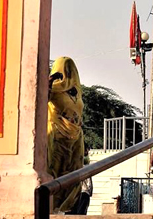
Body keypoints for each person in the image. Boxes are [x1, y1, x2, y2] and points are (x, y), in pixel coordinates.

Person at [47, 57, 86, 213]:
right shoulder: (54, 89)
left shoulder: (76, 90)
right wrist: (50, 80)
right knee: (54, 170)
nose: (67, 73)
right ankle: (51, 208)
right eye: (64, 69)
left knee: (75, 173)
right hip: (57, 134)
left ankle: (66, 208)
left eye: (70, 69)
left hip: (76, 135)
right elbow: (42, 98)